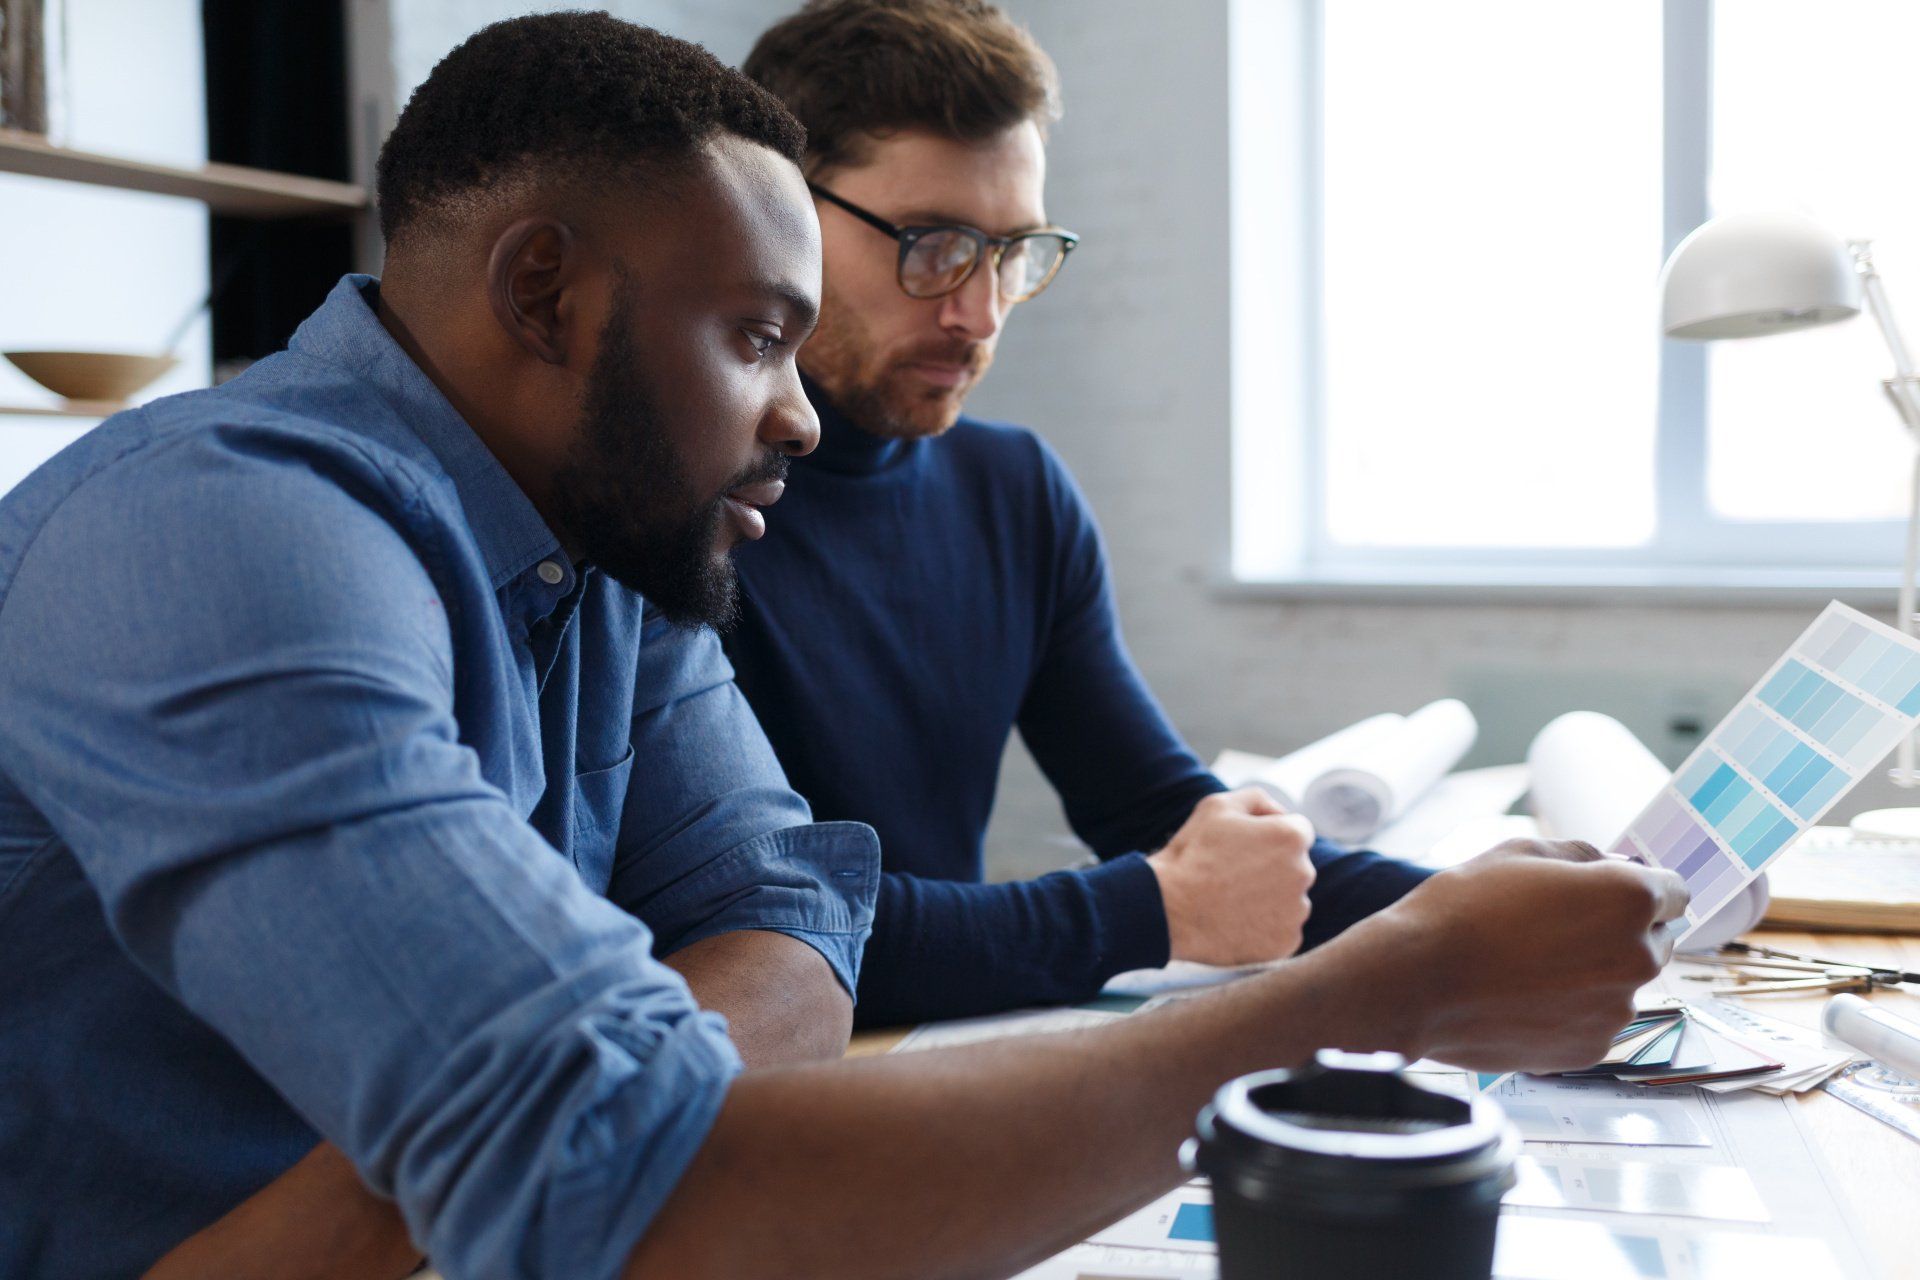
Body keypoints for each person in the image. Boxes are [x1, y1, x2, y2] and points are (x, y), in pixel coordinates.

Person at [0, 14, 1686, 1280]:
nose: (800, 416)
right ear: (545, 296)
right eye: (756, 338)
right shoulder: (218, 537)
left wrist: (509, 1158)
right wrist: (1391, 987)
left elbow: (803, 905)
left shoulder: (618, 556)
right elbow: (630, 1175)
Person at [726, 0, 1431, 1026]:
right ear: (775, 212)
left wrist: (1475, 905)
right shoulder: (684, 514)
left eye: (1013, 250)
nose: (978, 312)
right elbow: (770, 931)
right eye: (931, 245)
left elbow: (1155, 808)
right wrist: (1152, 907)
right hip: (787, 1095)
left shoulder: (1014, 492)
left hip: (937, 1061)